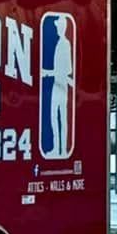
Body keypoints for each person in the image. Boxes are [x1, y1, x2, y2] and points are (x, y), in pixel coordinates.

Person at [47, 16, 75, 158]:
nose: (57, 28)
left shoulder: (65, 44)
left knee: (61, 118)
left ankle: (62, 149)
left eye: (58, 26)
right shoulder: (60, 43)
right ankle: (56, 148)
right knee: (54, 117)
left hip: (62, 86)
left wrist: (48, 73)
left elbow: (68, 69)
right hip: (56, 85)